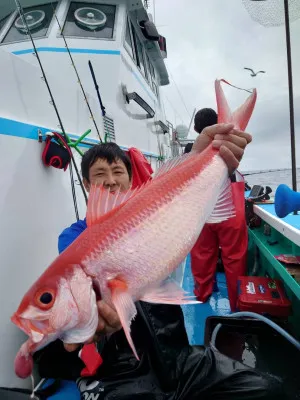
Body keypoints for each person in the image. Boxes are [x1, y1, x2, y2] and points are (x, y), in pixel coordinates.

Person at [34, 126, 284, 400]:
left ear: (130, 179)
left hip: (179, 357)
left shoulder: (150, 216)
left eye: (118, 172)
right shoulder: (75, 238)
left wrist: (203, 156)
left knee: (268, 390)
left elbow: (172, 196)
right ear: (86, 184)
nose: (111, 182)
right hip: (122, 370)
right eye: (99, 176)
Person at [185, 108, 248, 311]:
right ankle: (238, 306)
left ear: (196, 129)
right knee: (235, 259)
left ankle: (202, 298)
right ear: (219, 123)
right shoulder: (228, 145)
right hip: (231, 207)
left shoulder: (190, 151)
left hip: (203, 211)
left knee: (202, 256)